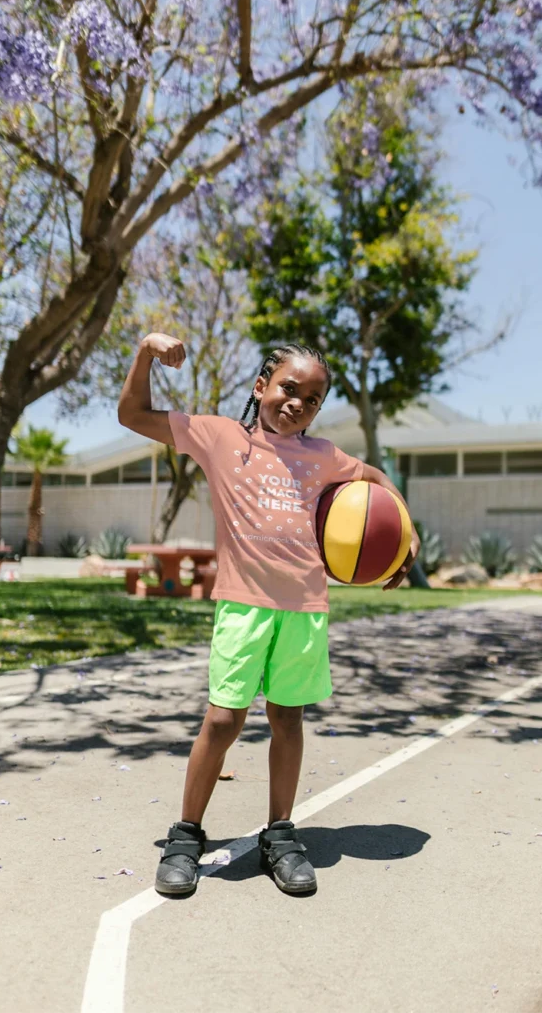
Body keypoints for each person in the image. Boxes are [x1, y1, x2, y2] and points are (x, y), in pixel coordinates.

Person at [118, 332, 420, 896]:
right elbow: (132, 413)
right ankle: (187, 835)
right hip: (243, 606)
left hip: (304, 608)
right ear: (261, 386)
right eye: (289, 388)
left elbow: (377, 482)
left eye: (313, 398)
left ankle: (279, 834)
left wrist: (406, 536)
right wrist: (144, 353)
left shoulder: (325, 456)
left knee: (287, 719)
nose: (298, 403)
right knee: (223, 720)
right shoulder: (219, 437)